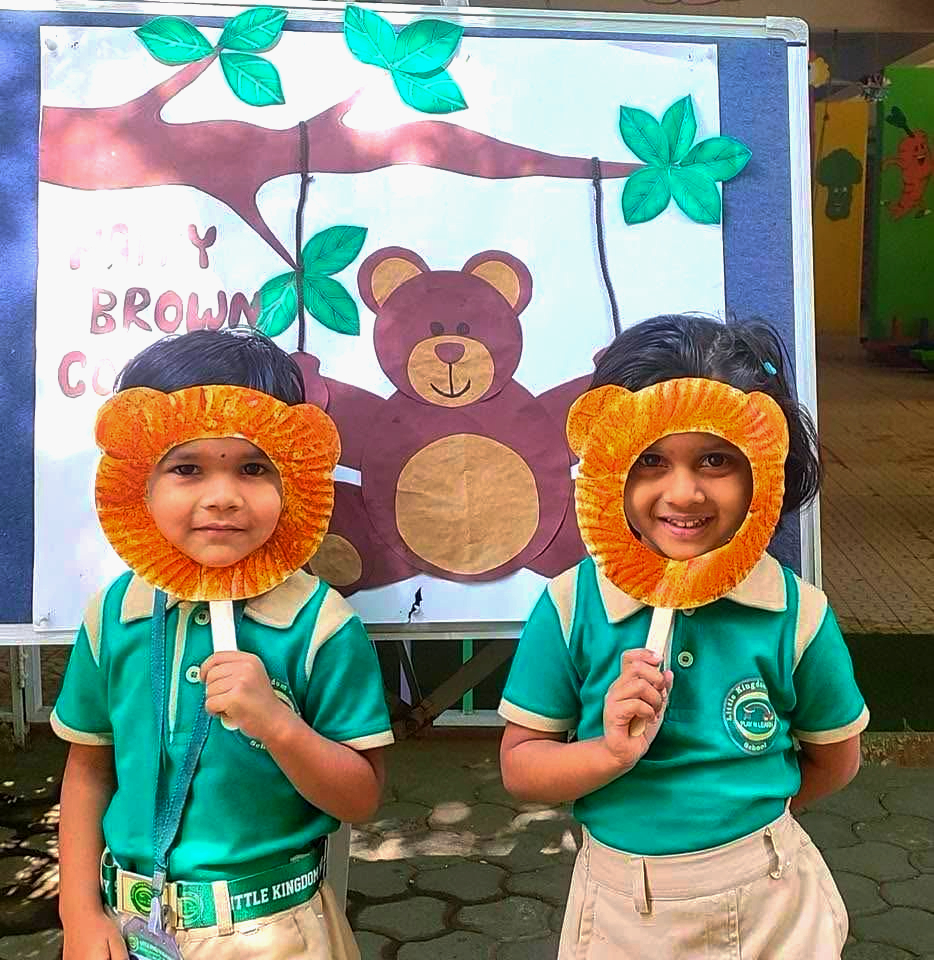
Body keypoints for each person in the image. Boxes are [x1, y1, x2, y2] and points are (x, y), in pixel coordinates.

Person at [499, 314, 868, 958]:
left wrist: (747, 821)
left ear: (763, 465)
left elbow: (836, 760)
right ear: (608, 463)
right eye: (650, 460)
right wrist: (609, 754)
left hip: (773, 899)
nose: (684, 493)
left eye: (715, 459)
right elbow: (522, 768)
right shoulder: (570, 607)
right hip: (623, 909)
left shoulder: (796, 613)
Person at [53, 329, 392, 960]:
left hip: (274, 928)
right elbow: (89, 768)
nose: (223, 497)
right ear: (140, 482)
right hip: (123, 926)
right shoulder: (115, 614)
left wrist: (278, 726)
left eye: (253, 468)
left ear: (292, 478)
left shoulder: (320, 624)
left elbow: (360, 798)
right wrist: (78, 913)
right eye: (187, 468)